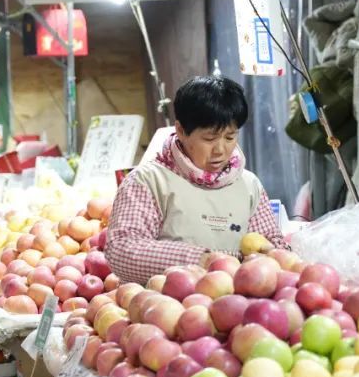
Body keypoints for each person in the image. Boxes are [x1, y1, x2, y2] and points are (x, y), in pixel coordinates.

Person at [105, 75, 286, 286]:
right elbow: (122, 249)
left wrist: (274, 254)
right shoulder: (148, 181)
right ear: (181, 131)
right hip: (164, 309)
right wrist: (204, 261)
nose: (221, 150)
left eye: (230, 137)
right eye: (209, 138)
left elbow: (273, 243)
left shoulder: (248, 185)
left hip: (237, 309)